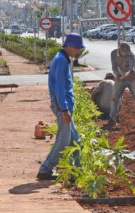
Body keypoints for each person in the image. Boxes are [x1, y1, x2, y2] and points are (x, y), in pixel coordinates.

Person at [37, 33, 85, 181]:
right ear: (70, 47)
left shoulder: (62, 59)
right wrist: (64, 110)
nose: (78, 52)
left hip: (64, 107)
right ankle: (45, 170)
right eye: (77, 48)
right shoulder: (61, 61)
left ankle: (76, 173)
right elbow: (59, 88)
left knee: (76, 141)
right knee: (63, 141)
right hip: (62, 107)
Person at [105, 42, 135, 129]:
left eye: (127, 54)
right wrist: (118, 75)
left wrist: (125, 76)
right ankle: (112, 118)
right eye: (124, 54)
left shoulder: (132, 55)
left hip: (133, 78)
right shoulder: (113, 53)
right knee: (114, 98)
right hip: (120, 78)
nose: (126, 56)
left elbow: (131, 70)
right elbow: (114, 67)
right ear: (119, 50)